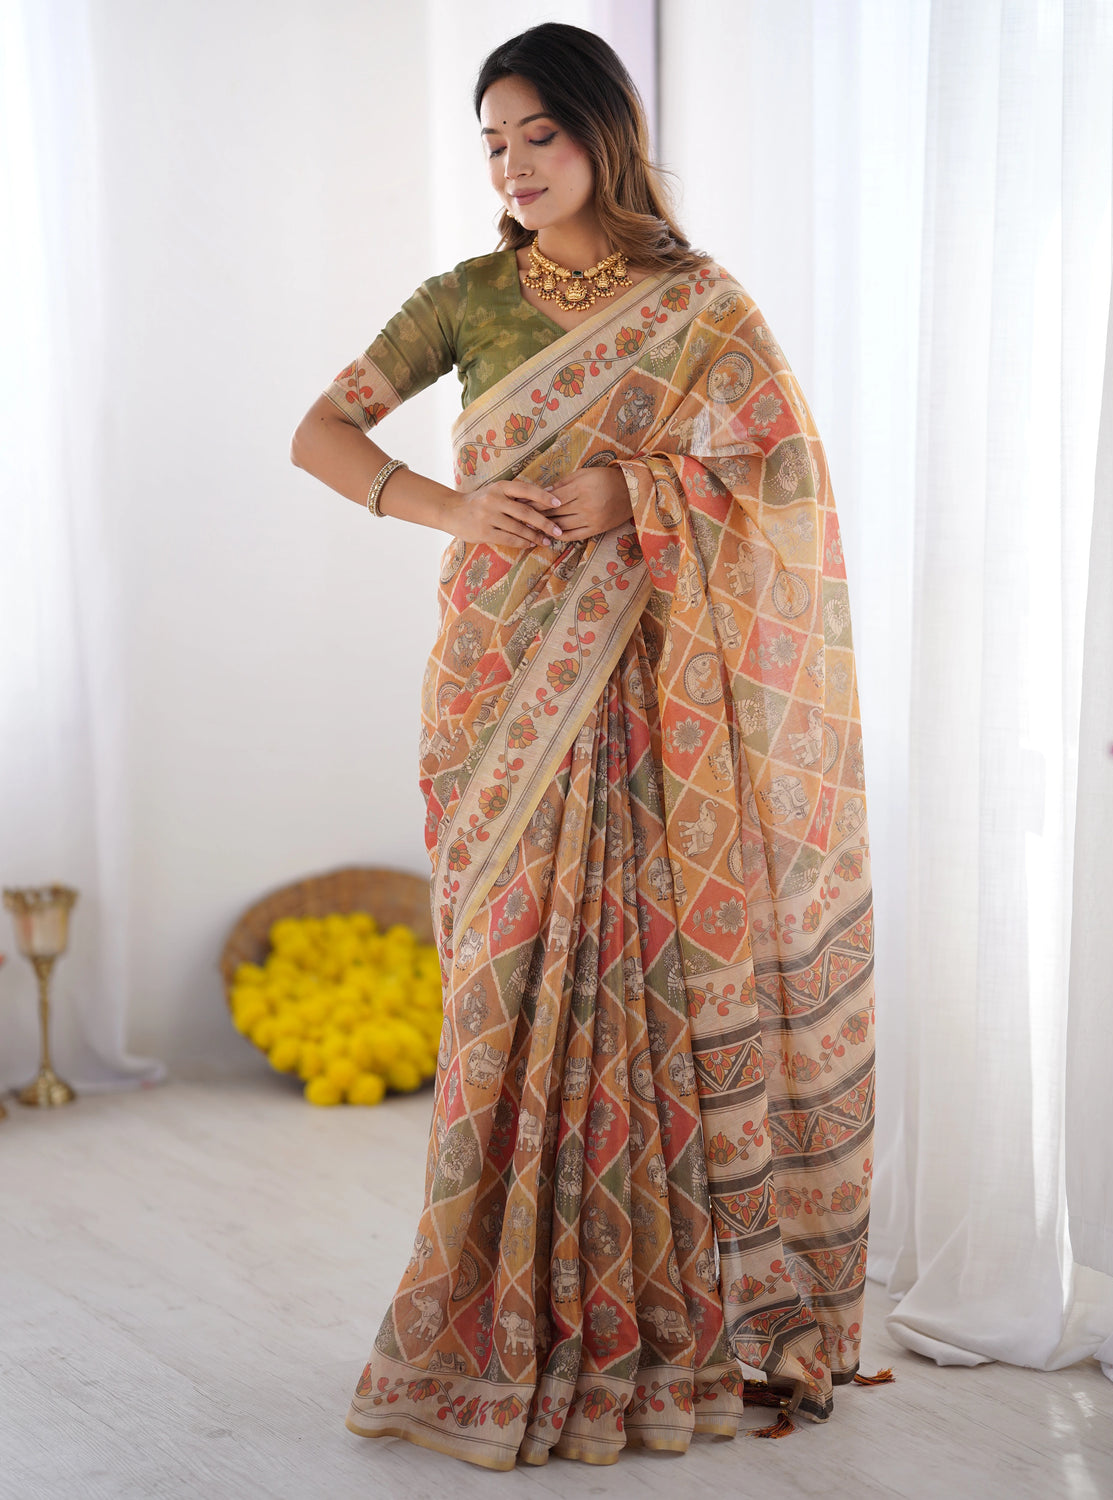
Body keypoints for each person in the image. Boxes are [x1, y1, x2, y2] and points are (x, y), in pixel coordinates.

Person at [290, 21, 876, 1473]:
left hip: (649, 693)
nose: (511, 163)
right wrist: (451, 509)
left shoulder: (700, 304)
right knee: (499, 995)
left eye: (536, 134)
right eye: (492, 142)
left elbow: (782, 475)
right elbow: (319, 431)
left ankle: (654, 1320)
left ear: (604, 133)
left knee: (646, 994)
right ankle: (492, 1317)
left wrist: (635, 492)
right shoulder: (466, 298)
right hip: (498, 686)